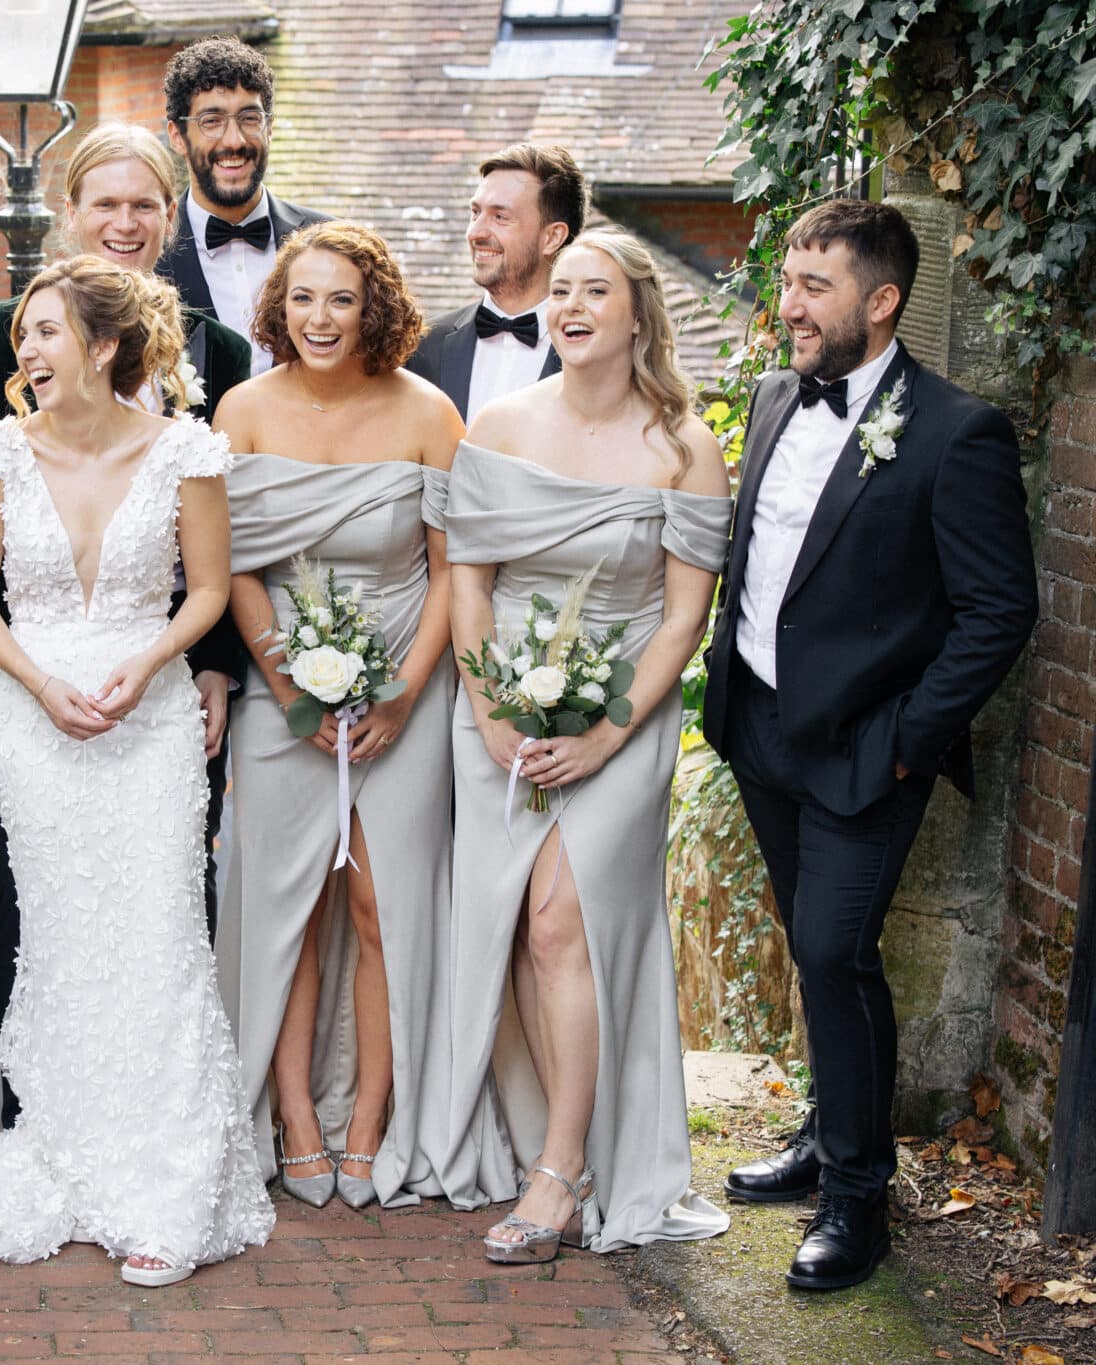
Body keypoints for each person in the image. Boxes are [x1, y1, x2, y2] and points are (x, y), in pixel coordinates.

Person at [0, 254, 273, 1288]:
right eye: (27, 334)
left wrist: (146, 665)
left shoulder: (186, 449)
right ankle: (65, 1154)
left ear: (101, 347)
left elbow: (209, 589)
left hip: (152, 718)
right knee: (59, 941)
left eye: (46, 331)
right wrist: (38, 686)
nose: (25, 347)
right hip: (40, 719)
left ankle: (166, 1182)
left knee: (158, 934)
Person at [701, 200, 1035, 1290]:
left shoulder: (954, 431)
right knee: (811, 942)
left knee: (834, 953)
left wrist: (906, 742)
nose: (785, 305)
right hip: (757, 725)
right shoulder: (765, 399)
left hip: (863, 750)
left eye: (812, 286)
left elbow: (997, 612)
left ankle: (857, 1197)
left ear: (879, 302)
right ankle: (819, 1132)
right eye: (786, 281)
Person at [440, 229, 731, 1260]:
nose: (566, 304)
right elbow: (467, 577)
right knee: (524, 925)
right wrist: (487, 712)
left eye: (590, 289)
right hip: (500, 712)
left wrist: (607, 737)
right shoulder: (502, 424)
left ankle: (559, 1176)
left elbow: (677, 620)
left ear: (635, 313)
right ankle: (550, 1136)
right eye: (557, 288)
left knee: (563, 923)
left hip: (622, 720)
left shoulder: (684, 448)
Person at [0, 121, 251, 1121]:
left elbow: (213, 562)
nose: (123, 221)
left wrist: (210, 666)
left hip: (156, 687)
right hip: (32, 670)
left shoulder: (219, 355)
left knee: (165, 908)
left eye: (143, 205)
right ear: (70, 214)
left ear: (165, 218)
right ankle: (41, 1117)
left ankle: (165, 1124)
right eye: (105, 203)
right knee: (34, 915)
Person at [214, 221, 463, 1210]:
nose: (320, 318)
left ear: (375, 311)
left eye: (341, 300)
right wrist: (283, 689)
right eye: (303, 298)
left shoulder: (427, 414)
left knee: (377, 905)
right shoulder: (239, 412)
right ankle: (292, 1119)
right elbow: (228, 567)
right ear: (281, 307)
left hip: (405, 680)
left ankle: (369, 1120)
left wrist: (402, 691)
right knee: (285, 907)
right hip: (282, 694)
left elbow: (455, 574)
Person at [155, 36, 329, 374]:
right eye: (212, 121)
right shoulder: (149, 256)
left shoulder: (331, 241)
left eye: (249, 118)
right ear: (177, 137)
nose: (234, 141)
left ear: (270, 128)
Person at [407, 144, 586, 423]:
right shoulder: (424, 346)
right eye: (475, 213)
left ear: (552, 237)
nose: (475, 232)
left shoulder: (594, 353)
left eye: (500, 217)